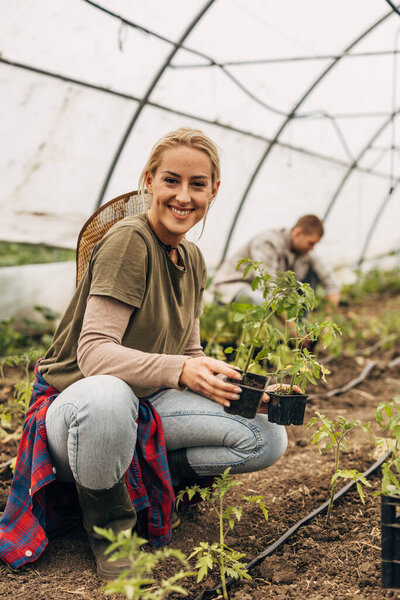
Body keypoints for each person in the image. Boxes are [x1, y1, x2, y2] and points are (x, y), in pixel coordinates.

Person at [0, 128, 288, 581]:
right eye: (171, 180)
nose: (183, 196)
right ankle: (112, 531)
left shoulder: (191, 257)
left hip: (145, 406)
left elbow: (189, 351)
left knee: (267, 435)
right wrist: (182, 370)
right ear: (148, 181)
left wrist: (241, 387)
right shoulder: (128, 241)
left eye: (197, 184)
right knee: (108, 396)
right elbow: (94, 355)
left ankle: (153, 480)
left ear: (214, 190)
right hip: (76, 410)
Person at [211, 214, 341, 307]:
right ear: (298, 233)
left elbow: (332, 283)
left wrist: (328, 319)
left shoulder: (305, 252)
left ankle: (301, 329)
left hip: (265, 293)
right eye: (310, 243)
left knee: (310, 277)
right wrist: (289, 325)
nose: (312, 249)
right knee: (259, 300)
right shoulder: (269, 242)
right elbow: (267, 287)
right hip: (233, 287)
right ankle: (289, 333)